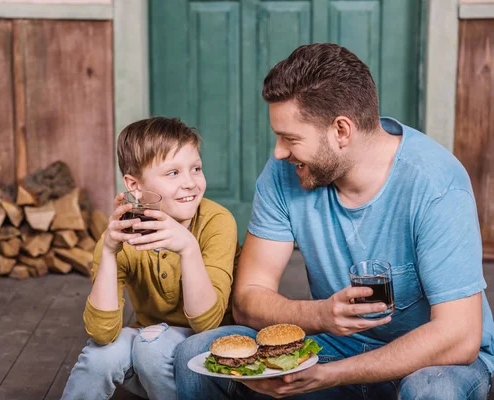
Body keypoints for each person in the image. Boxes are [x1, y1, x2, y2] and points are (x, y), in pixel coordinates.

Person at [174, 43, 494, 399]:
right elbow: (248, 298)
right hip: (335, 349)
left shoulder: (435, 184)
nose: (279, 152)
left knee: (433, 390)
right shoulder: (284, 173)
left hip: (432, 360)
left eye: (290, 138)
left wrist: (330, 376)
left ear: (342, 130)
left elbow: (459, 336)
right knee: (199, 354)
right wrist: (323, 316)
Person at [61, 117, 239, 400]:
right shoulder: (123, 234)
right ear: (135, 186)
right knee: (101, 356)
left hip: (209, 353)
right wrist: (108, 252)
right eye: (173, 173)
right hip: (151, 345)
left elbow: (207, 324)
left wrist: (188, 248)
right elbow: (102, 332)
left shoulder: (217, 222)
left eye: (196, 169)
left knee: (150, 345)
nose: (190, 183)